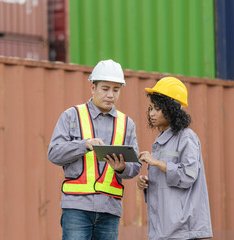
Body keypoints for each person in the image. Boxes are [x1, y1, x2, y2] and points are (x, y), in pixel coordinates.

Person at [47, 59, 142, 240]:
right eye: (105, 89)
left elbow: (135, 167)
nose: (110, 95)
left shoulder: (127, 124)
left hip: (110, 209)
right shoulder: (71, 116)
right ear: (93, 88)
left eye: (116, 90)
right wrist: (84, 145)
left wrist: (121, 168)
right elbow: (54, 153)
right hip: (77, 208)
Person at [137, 77, 213, 240]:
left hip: (182, 231)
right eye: (150, 108)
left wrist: (156, 162)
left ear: (171, 109)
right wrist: (146, 185)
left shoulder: (186, 137)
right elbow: (166, 185)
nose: (151, 113)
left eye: (156, 108)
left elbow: (188, 176)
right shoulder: (162, 140)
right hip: (163, 229)